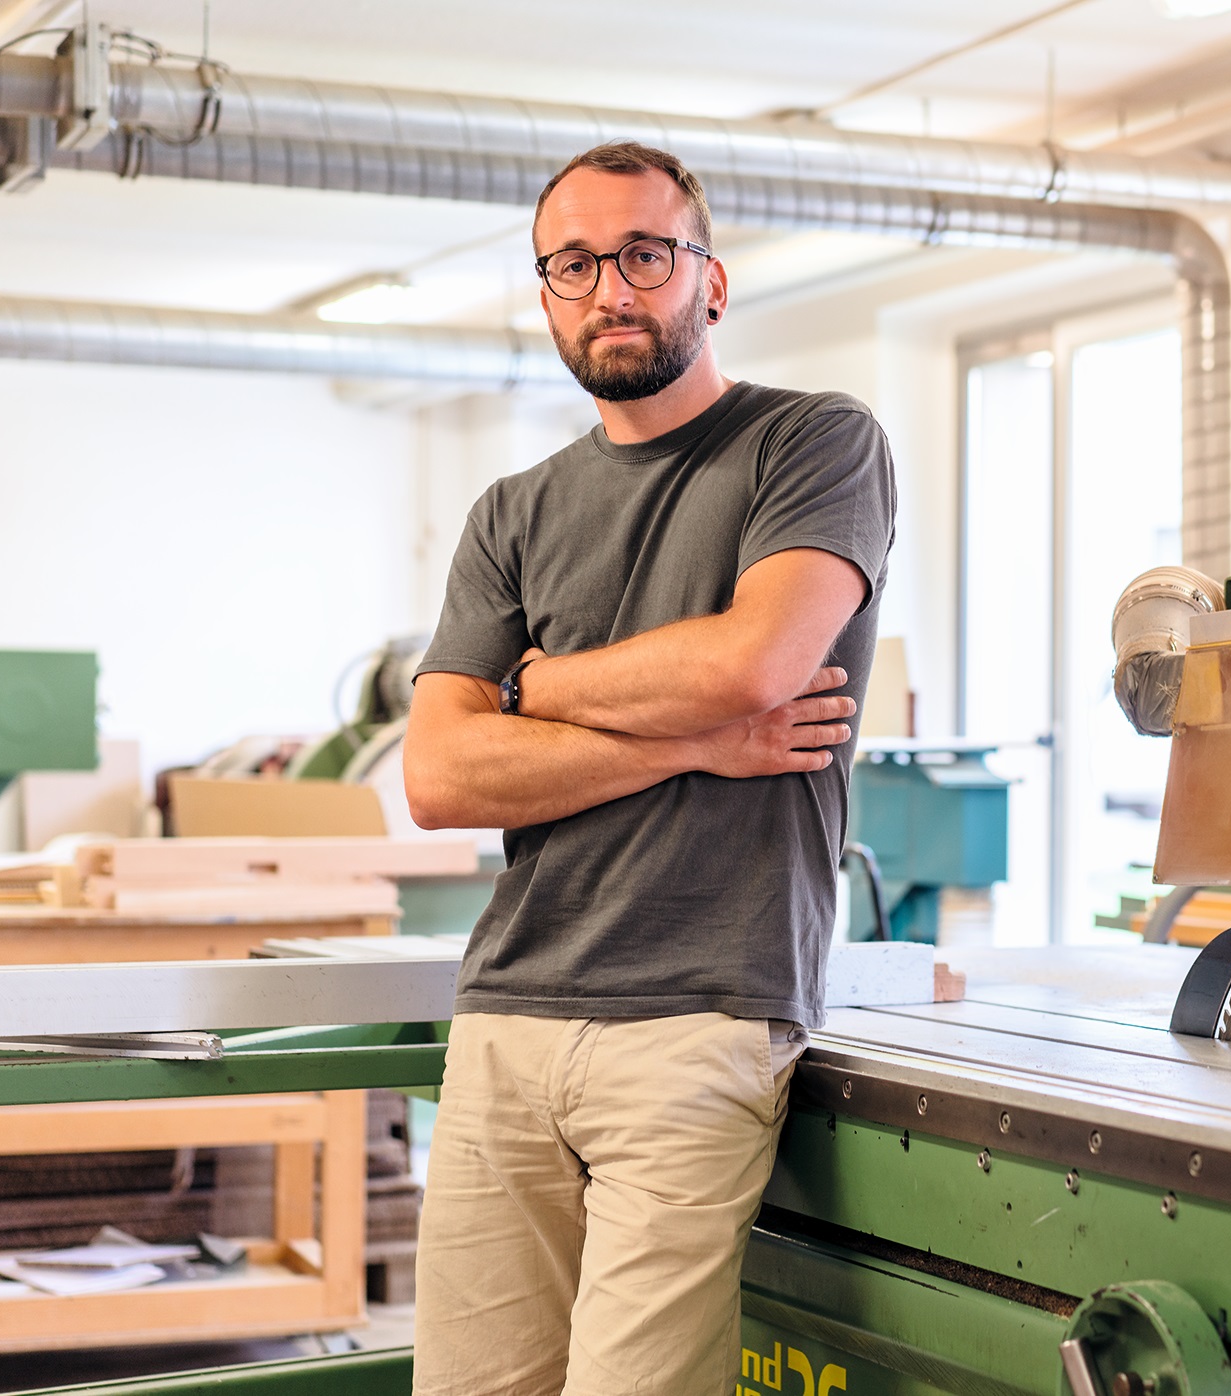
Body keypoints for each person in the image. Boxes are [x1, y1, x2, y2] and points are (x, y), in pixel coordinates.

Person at [401, 140, 896, 1396]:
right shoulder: (511, 511)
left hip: (699, 1017)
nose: (610, 290)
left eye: (642, 254)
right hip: (507, 1012)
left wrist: (538, 687)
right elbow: (441, 775)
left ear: (709, 281)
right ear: (545, 295)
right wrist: (694, 743)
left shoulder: (813, 442)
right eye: (572, 265)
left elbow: (754, 665)